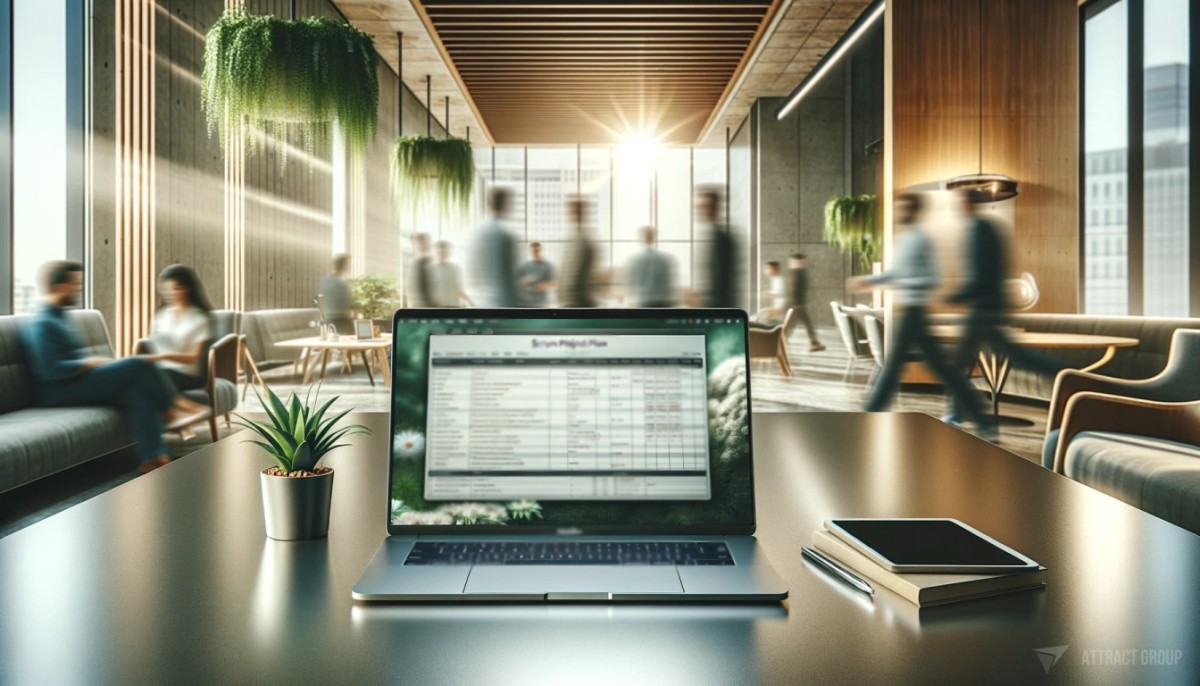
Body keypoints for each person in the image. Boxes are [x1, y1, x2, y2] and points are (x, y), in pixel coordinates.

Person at [19, 261, 209, 474]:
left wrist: (92, 365)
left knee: (138, 392)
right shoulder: (41, 322)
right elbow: (50, 371)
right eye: (74, 284)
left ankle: (154, 459)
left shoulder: (60, 316)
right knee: (139, 362)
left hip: (75, 382)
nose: (78, 289)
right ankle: (172, 409)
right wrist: (89, 363)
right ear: (59, 286)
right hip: (56, 392)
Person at [848, 194, 989, 436]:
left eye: (904, 209)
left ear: (914, 211)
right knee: (938, 368)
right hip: (909, 313)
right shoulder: (905, 240)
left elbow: (933, 278)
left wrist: (905, 281)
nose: (900, 212)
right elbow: (894, 273)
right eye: (899, 208)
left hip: (915, 311)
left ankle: (870, 414)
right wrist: (869, 280)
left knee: (892, 366)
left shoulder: (922, 239)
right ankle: (977, 410)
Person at [948, 189, 1063, 426]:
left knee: (960, 363)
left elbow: (980, 275)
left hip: (982, 309)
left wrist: (957, 295)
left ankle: (963, 413)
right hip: (989, 307)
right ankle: (1066, 373)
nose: (957, 207)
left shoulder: (979, 231)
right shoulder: (989, 229)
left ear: (970, 204)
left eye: (960, 202)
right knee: (1012, 355)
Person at [143, 264, 214, 391]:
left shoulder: (199, 319)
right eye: (166, 289)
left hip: (188, 374)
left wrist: (162, 357)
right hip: (162, 369)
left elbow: (193, 358)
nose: (170, 294)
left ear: (187, 289)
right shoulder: (162, 315)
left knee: (153, 379)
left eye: (175, 288)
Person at [470, 188, 520, 307]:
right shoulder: (505, 234)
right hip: (502, 302)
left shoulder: (477, 232)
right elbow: (510, 276)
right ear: (505, 204)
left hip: (482, 302)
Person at [696, 188, 737, 308]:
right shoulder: (714, 235)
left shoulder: (721, 238)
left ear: (714, 208)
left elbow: (722, 283)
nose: (700, 210)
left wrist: (701, 302)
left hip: (718, 309)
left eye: (704, 206)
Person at [558, 197, 597, 307]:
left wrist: (565, 301)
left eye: (574, 210)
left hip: (576, 304)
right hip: (573, 303)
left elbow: (573, 277)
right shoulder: (574, 239)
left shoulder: (582, 241)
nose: (571, 214)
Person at [625, 226, 677, 307]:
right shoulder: (665, 259)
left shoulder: (635, 260)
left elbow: (629, 284)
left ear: (641, 238)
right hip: (663, 302)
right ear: (654, 238)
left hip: (643, 302)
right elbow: (671, 284)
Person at [787, 254, 825, 352]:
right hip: (797, 304)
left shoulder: (799, 272)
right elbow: (794, 289)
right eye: (802, 261)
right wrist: (795, 303)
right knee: (791, 326)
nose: (804, 263)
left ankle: (814, 342)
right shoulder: (797, 272)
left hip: (798, 304)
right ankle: (814, 342)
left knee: (799, 324)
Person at [428, 240, 473, 308]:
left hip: (453, 306)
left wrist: (470, 302)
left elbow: (459, 289)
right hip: (435, 307)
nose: (442, 254)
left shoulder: (455, 268)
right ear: (435, 253)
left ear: (448, 253)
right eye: (439, 252)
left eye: (444, 252)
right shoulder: (429, 269)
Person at [317, 254, 354, 333]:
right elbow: (349, 303)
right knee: (354, 338)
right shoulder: (341, 283)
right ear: (343, 265)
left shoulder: (324, 281)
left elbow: (321, 300)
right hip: (341, 319)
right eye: (347, 264)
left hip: (328, 318)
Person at [515, 241, 555, 307]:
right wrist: (524, 281)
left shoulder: (548, 265)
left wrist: (543, 286)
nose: (536, 253)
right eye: (534, 251)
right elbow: (516, 280)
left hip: (542, 301)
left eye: (537, 250)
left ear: (541, 250)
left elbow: (553, 282)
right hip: (527, 300)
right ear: (531, 251)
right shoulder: (525, 265)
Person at [406, 233, 435, 308]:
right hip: (419, 305)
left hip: (434, 305)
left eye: (424, 242)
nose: (422, 245)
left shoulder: (434, 261)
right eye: (419, 243)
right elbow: (411, 286)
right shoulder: (414, 263)